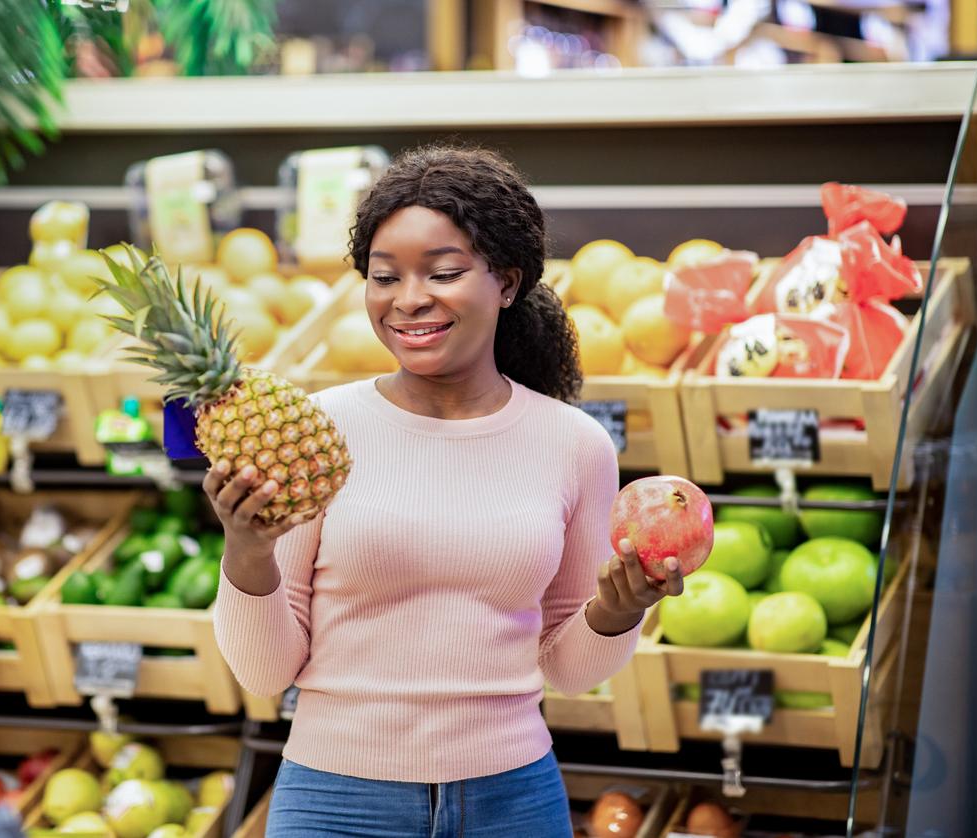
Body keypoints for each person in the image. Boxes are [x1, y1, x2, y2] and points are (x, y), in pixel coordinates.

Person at [207, 145, 684, 837]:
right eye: (383, 276)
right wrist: (246, 554)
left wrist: (618, 612)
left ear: (508, 282)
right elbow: (264, 671)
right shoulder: (319, 431)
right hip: (334, 803)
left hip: (512, 801)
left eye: (444, 272)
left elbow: (570, 670)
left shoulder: (574, 444)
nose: (409, 299)